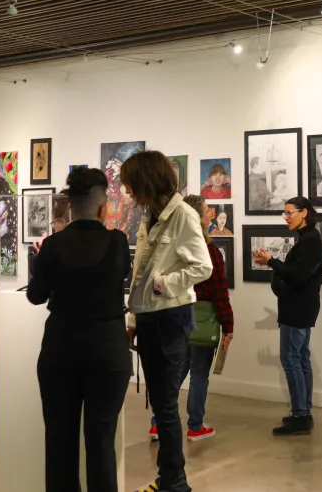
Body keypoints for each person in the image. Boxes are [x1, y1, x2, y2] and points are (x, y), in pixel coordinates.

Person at [26, 167, 132, 492]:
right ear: (103, 207)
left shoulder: (53, 246)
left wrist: (42, 262)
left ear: (69, 204)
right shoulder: (117, 242)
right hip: (107, 350)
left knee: (59, 442)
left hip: (61, 348)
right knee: (101, 442)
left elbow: (35, 296)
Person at [122, 151, 213, 492]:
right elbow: (139, 273)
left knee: (164, 406)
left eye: (131, 184)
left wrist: (163, 284)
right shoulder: (151, 215)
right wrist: (134, 316)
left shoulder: (183, 215)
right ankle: (170, 479)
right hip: (150, 317)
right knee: (162, 405)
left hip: (171, 317)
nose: (128, 191)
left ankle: (174, 482)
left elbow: (202, 267)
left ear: (147, 180)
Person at [149, 195, 234, 443]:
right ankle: (195, 427)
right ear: (197, 216)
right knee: (198, 374)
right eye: (207, 211)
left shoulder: (174, 248)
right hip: (203, 320)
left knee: (174, 373)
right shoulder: (209, 252)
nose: (211, 214)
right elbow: (219, 293)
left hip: (176, 315)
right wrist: (228, 325)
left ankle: (157, 424)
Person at [252, 197, 322, 436]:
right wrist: (273, 264)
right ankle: (303, 413)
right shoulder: (307, 239)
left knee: (292, 360)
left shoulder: (310, 240)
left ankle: (300, 415)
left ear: (304, 213)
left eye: (290, 212)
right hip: (300, 308)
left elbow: (298, 275)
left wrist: (272, 262)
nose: (287, 217)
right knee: (301, 359)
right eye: (285, 213)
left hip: (298, 309)